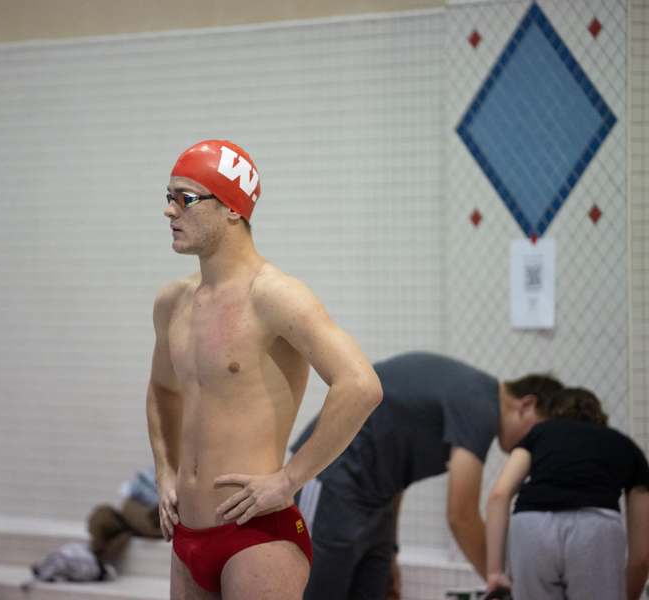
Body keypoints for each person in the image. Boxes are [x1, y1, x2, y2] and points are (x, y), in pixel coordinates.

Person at [146, 139, 382, 599]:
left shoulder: (275, 297)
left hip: (255, 536)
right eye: (168, 196)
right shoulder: (172, 302)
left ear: (233, 209)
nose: (170, 211)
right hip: (186, 535)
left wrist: (290, 478)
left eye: (186, 198)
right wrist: (164, 471)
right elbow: (162, 390)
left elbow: (361, 385)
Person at [291, 351, 564, 600]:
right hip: (331, 477)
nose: (536, 446)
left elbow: (395, 467)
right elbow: (461, 516)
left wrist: (391, 549)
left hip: (376, 497)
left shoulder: (475, 396)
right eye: (539, 432)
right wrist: (506, 584)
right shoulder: (481, 405)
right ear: (527, 404)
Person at [486, 387, 649, 600]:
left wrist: (495, 572)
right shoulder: (626, 446)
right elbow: (642, 556)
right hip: (594, 528)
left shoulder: (539, 433)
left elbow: (499, 495)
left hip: (531, 526)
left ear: (553, 414)